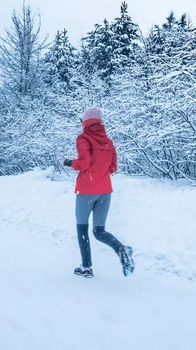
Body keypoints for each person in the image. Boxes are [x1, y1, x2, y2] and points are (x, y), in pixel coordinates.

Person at [64, 107, 134, 278]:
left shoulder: (83, 138)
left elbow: (84, 163)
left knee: (82, 228)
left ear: (86, 122)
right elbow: (113, 167)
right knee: (99, 230)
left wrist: (70, 162)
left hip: (87, 191)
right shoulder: (109, 142)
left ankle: (86, 267)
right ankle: (121, 249)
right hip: (105, 191)